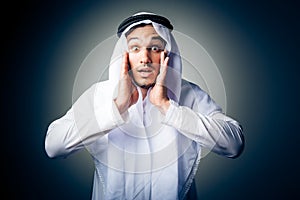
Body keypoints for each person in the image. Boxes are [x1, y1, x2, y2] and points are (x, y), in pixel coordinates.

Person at [45, 12, 244, 200]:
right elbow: (54, 146)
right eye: (135, 48)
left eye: (155, 48)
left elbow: (234, 145)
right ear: (125, 55)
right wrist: (117, 107)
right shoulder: (100, 95)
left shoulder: (189, 95)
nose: (145, 58)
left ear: (167, 55)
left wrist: (168, 107)